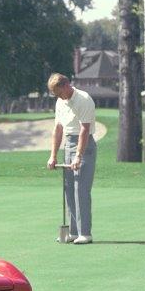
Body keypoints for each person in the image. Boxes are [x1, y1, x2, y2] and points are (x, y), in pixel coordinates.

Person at [46, 72, 97, 244]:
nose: (59, 97)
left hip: (85, 146)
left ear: (66, 85)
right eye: (56, 95)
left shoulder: (84, 99)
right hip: (68, 144)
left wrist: (78, 156)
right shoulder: (61, 102)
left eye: (59, 93)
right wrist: (53, 155)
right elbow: (58, 130)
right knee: (68, 190)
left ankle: (85, 233)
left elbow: (84, 130)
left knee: (80, 189)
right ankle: (74, 232)